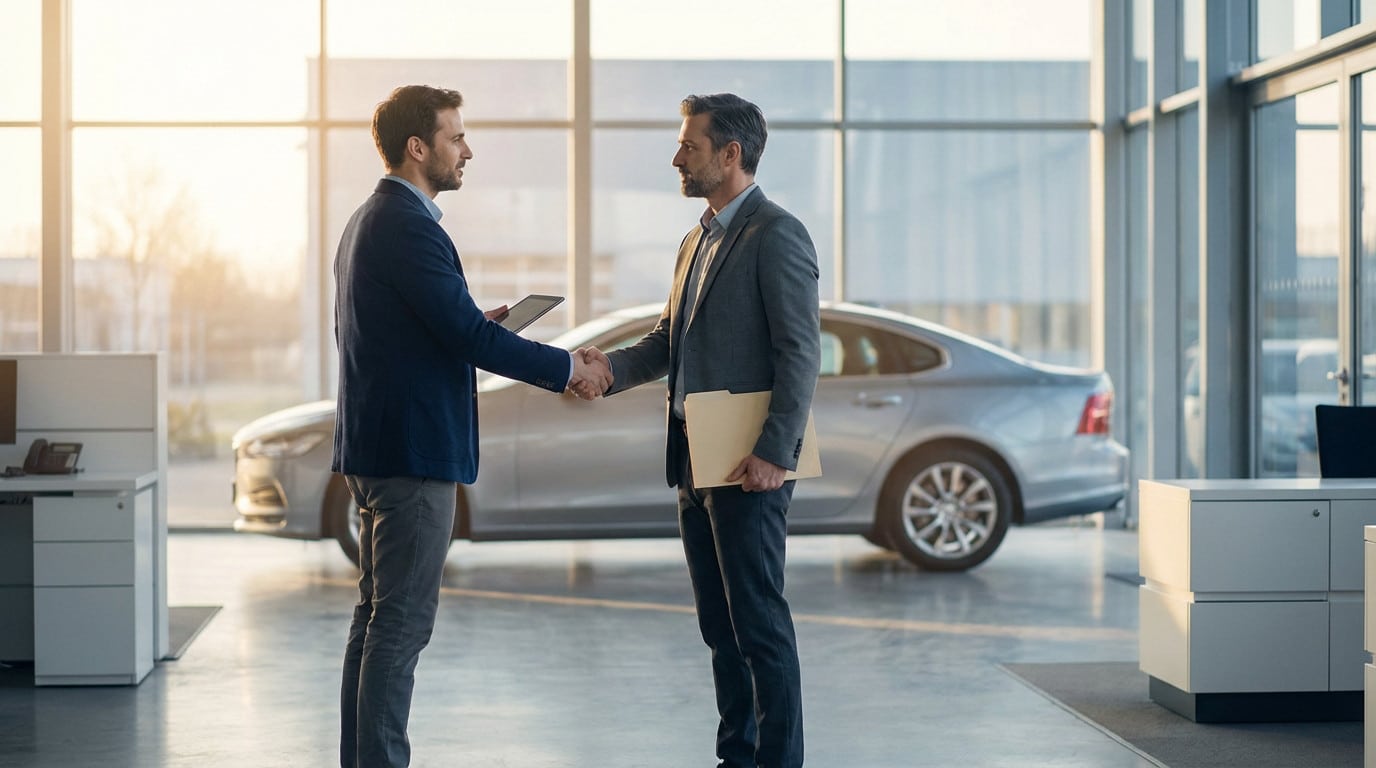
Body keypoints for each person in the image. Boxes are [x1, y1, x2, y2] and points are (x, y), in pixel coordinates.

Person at [332, 84, 610, 768]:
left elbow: (422, 332)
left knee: (375, 623)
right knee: (398, 629)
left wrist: (470, 328)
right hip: (412, 456)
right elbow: (464, 339)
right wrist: (566, 366)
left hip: (379, 449)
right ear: (417, 147)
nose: (468, 150)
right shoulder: (406, 224)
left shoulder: (372, 219)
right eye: (456, 138)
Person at [578, 93, 820, 768]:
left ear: (730, 154)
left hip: (747, 458)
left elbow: (800, 353)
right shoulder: (697, 238)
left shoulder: (777, 234)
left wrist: (776, 452)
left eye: (689, 145)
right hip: (691, 451)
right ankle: (735, 756)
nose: (676, 157)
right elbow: (668, 340)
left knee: (759, 624)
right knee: (720, 627)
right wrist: (609, 369)